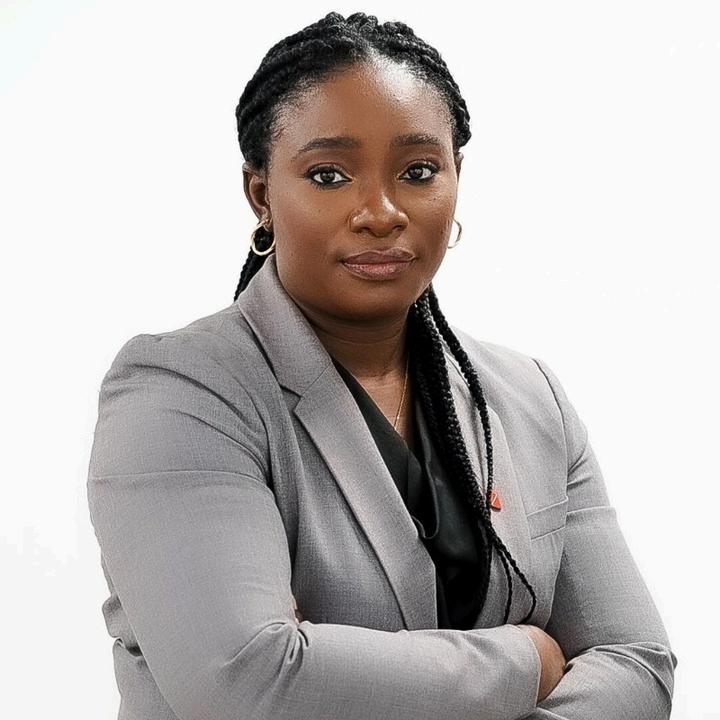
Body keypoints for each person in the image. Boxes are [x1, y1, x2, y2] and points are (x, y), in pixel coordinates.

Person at [86, 11, 677, 720]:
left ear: (457, 178)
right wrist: (527, 659)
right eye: (329, 175)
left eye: (418, 172)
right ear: (261, 193)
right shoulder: (181, 392)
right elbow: (247, 683)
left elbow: (638, 666)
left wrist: (332, 665)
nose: (382, 212)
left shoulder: (530, 398)